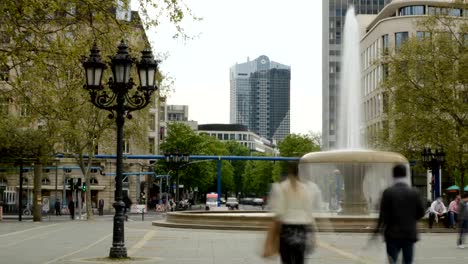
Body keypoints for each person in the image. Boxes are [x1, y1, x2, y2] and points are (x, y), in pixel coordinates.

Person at [267, 161, 319, 264]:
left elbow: (279, 213)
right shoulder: (306, 189)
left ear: (289, 171)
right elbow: (309, 212)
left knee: (286, 260)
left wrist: (272, 235)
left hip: (287, 229)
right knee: (300, 260)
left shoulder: (280, 188)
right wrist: (314, 233)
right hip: (302, 229)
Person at [372, 164, 425, 264]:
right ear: (406, 174)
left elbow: (383, 215)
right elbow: (421, 212)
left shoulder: (388, 192)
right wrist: (410, 220)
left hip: (392, 234)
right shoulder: (414, 192)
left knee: (392, 261)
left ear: (393, 175)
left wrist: (377, 230)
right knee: (408, 261)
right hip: (409, 233)